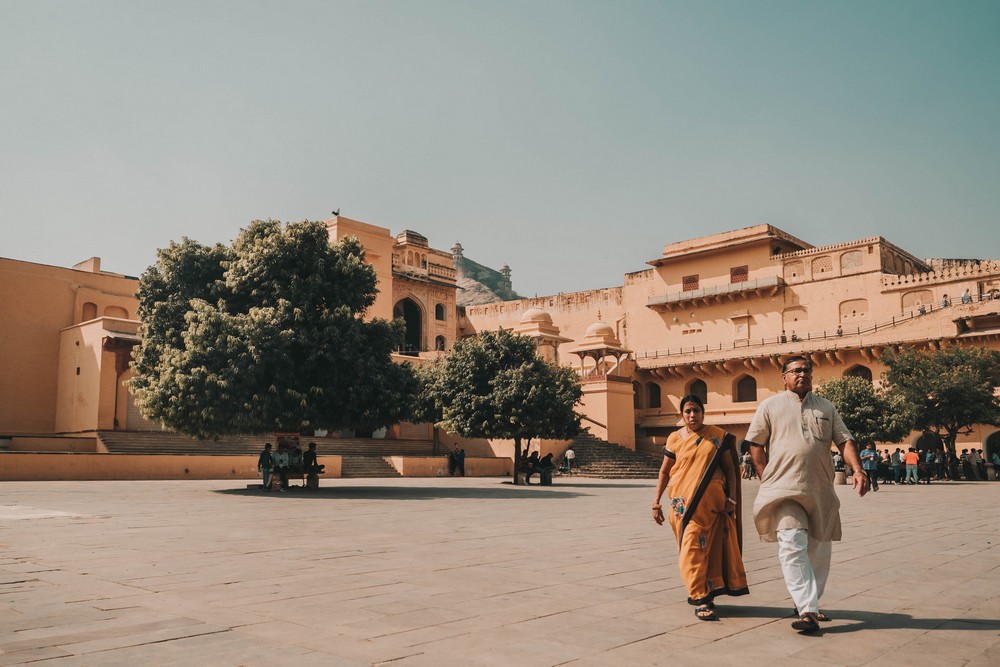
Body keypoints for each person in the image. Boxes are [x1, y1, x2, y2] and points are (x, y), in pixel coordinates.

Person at [746, 356, 869, 633]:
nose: (802, 374)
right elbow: (755, 443)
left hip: (819, 489)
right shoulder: (770, 406)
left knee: (818, 550)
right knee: (791, 544)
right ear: (784, 376)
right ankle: (808, 610)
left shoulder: (826, 407)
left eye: (806, 370)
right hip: (784, 490)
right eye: (796, 370)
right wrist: (766, 475)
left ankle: (808, 601)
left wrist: (858, 469)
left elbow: (844, 440)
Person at [652, 394, 749, 621]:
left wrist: (731, 499)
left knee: (708, 549)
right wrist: (655, 501)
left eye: (696, 410)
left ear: (703, 413)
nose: (692, 415)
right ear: (682, 415)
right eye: (688, 411)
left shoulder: (716, 437)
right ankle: (700, 592)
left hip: (713, 507)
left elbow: (730, 471)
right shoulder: (675, 438)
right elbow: (665, 472)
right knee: (691, 549)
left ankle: (702, 595)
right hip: (682, 508)